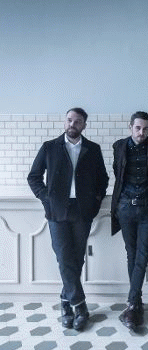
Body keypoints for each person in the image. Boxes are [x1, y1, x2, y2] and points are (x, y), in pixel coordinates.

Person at [27, 108, 109, 331]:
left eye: (78, 121)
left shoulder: (93, 149)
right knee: (64, 257)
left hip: (82, 211)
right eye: (70, 120)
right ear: (65, 122)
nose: (72, 124)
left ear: (84, 125)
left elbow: (103, 179)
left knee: (76, 259)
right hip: (57, 211)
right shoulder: (49, 147)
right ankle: (80, 306)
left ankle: (65, 302)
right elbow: (34, 177)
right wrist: (47, 199)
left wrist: (95, 201)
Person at [111, 111, 148, 329]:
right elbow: (117, 171)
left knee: (143, 253)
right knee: (132, 253)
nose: (141, 132)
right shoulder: (119, 146)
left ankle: (133, 303)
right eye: (138, 128)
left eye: (145, 128)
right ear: (130, 127)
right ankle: (135, 303)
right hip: (125, 207)